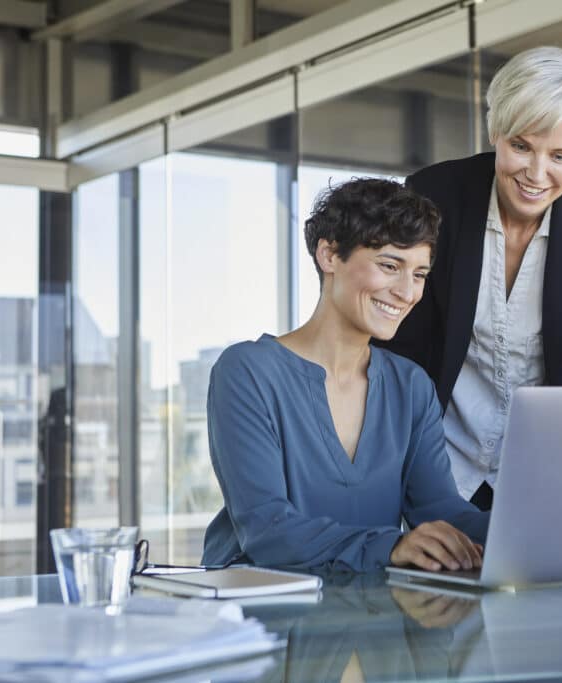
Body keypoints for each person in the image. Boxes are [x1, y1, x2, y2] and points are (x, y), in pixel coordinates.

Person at [380, 46, 562, 510]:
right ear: (495, 131)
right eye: (521, 146)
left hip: (545, 470)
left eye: (561, 155)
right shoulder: (434, 196)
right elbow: (397, 346)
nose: (536, 175)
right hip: (436, 462)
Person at [201, 178, 488, 573]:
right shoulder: (247, 373)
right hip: (259, 618)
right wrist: (392, 547)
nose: (407, 292)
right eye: (390, 266)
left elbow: (439, 510)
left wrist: (526, 533)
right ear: (330, 255)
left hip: (368, 620)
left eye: (419, 274)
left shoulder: (411, 385)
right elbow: (267, 529)